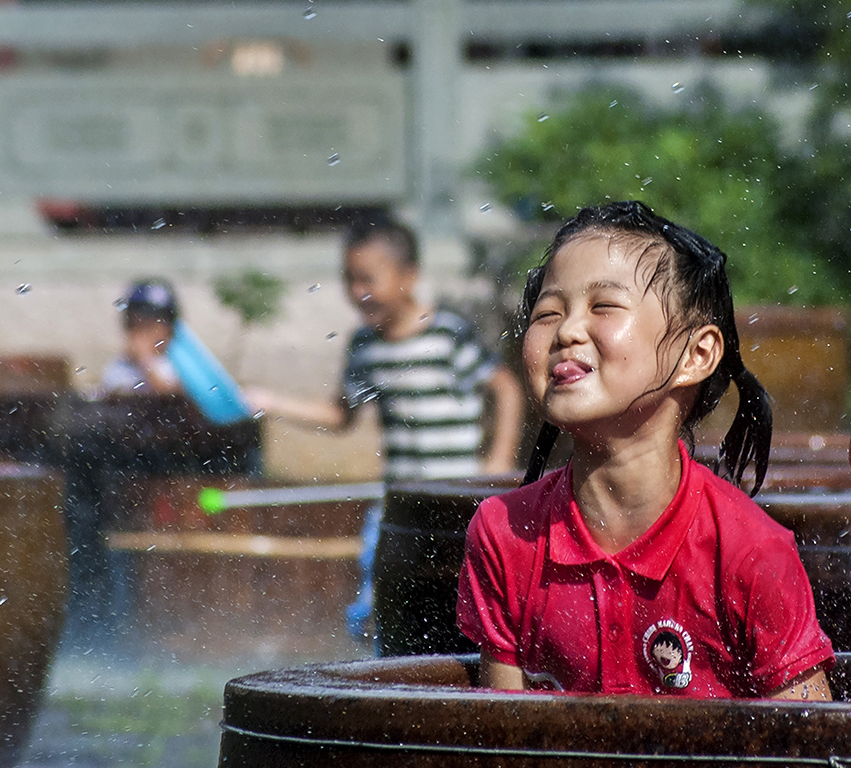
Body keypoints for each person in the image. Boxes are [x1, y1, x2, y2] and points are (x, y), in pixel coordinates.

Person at [457, 200, 834, 700]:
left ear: (695, 355)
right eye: (547, 312)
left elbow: (806, 744)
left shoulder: (748, 551)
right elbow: (501, 741)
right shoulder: (505, 534)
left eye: (604, 306)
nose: (566, 331)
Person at [248, 215, 524, 640]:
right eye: (349, 279)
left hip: (457, 499)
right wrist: (272, 403)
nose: (358, 292)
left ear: (408, 277)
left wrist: (500, 459)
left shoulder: (447, 335)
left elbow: (505, 389)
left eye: (367, 279)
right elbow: (341, 414)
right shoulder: (365, 346)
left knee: (466, 595)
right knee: (381, 592)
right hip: (399, 501)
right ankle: (380, 656)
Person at [99, 278, 182, 396]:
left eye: (150, 326)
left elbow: (171, 396)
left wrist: (145, 360)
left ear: (169, 329)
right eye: (136, 325)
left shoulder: (176, 362)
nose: (143, 334)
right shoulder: (121, 365)